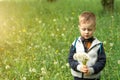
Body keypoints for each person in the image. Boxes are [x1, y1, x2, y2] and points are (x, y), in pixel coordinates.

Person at [68, 11, 106, 80]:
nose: (86, 32)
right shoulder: (75, 43)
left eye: (89, 29)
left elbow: (102, 61)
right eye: (83, 29)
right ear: (79, 28)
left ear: (94, 28)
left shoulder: (98, 45)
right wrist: (78, 67)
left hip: (93, 77)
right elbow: (71, 59)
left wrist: (92, 70)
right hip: (78, 77)